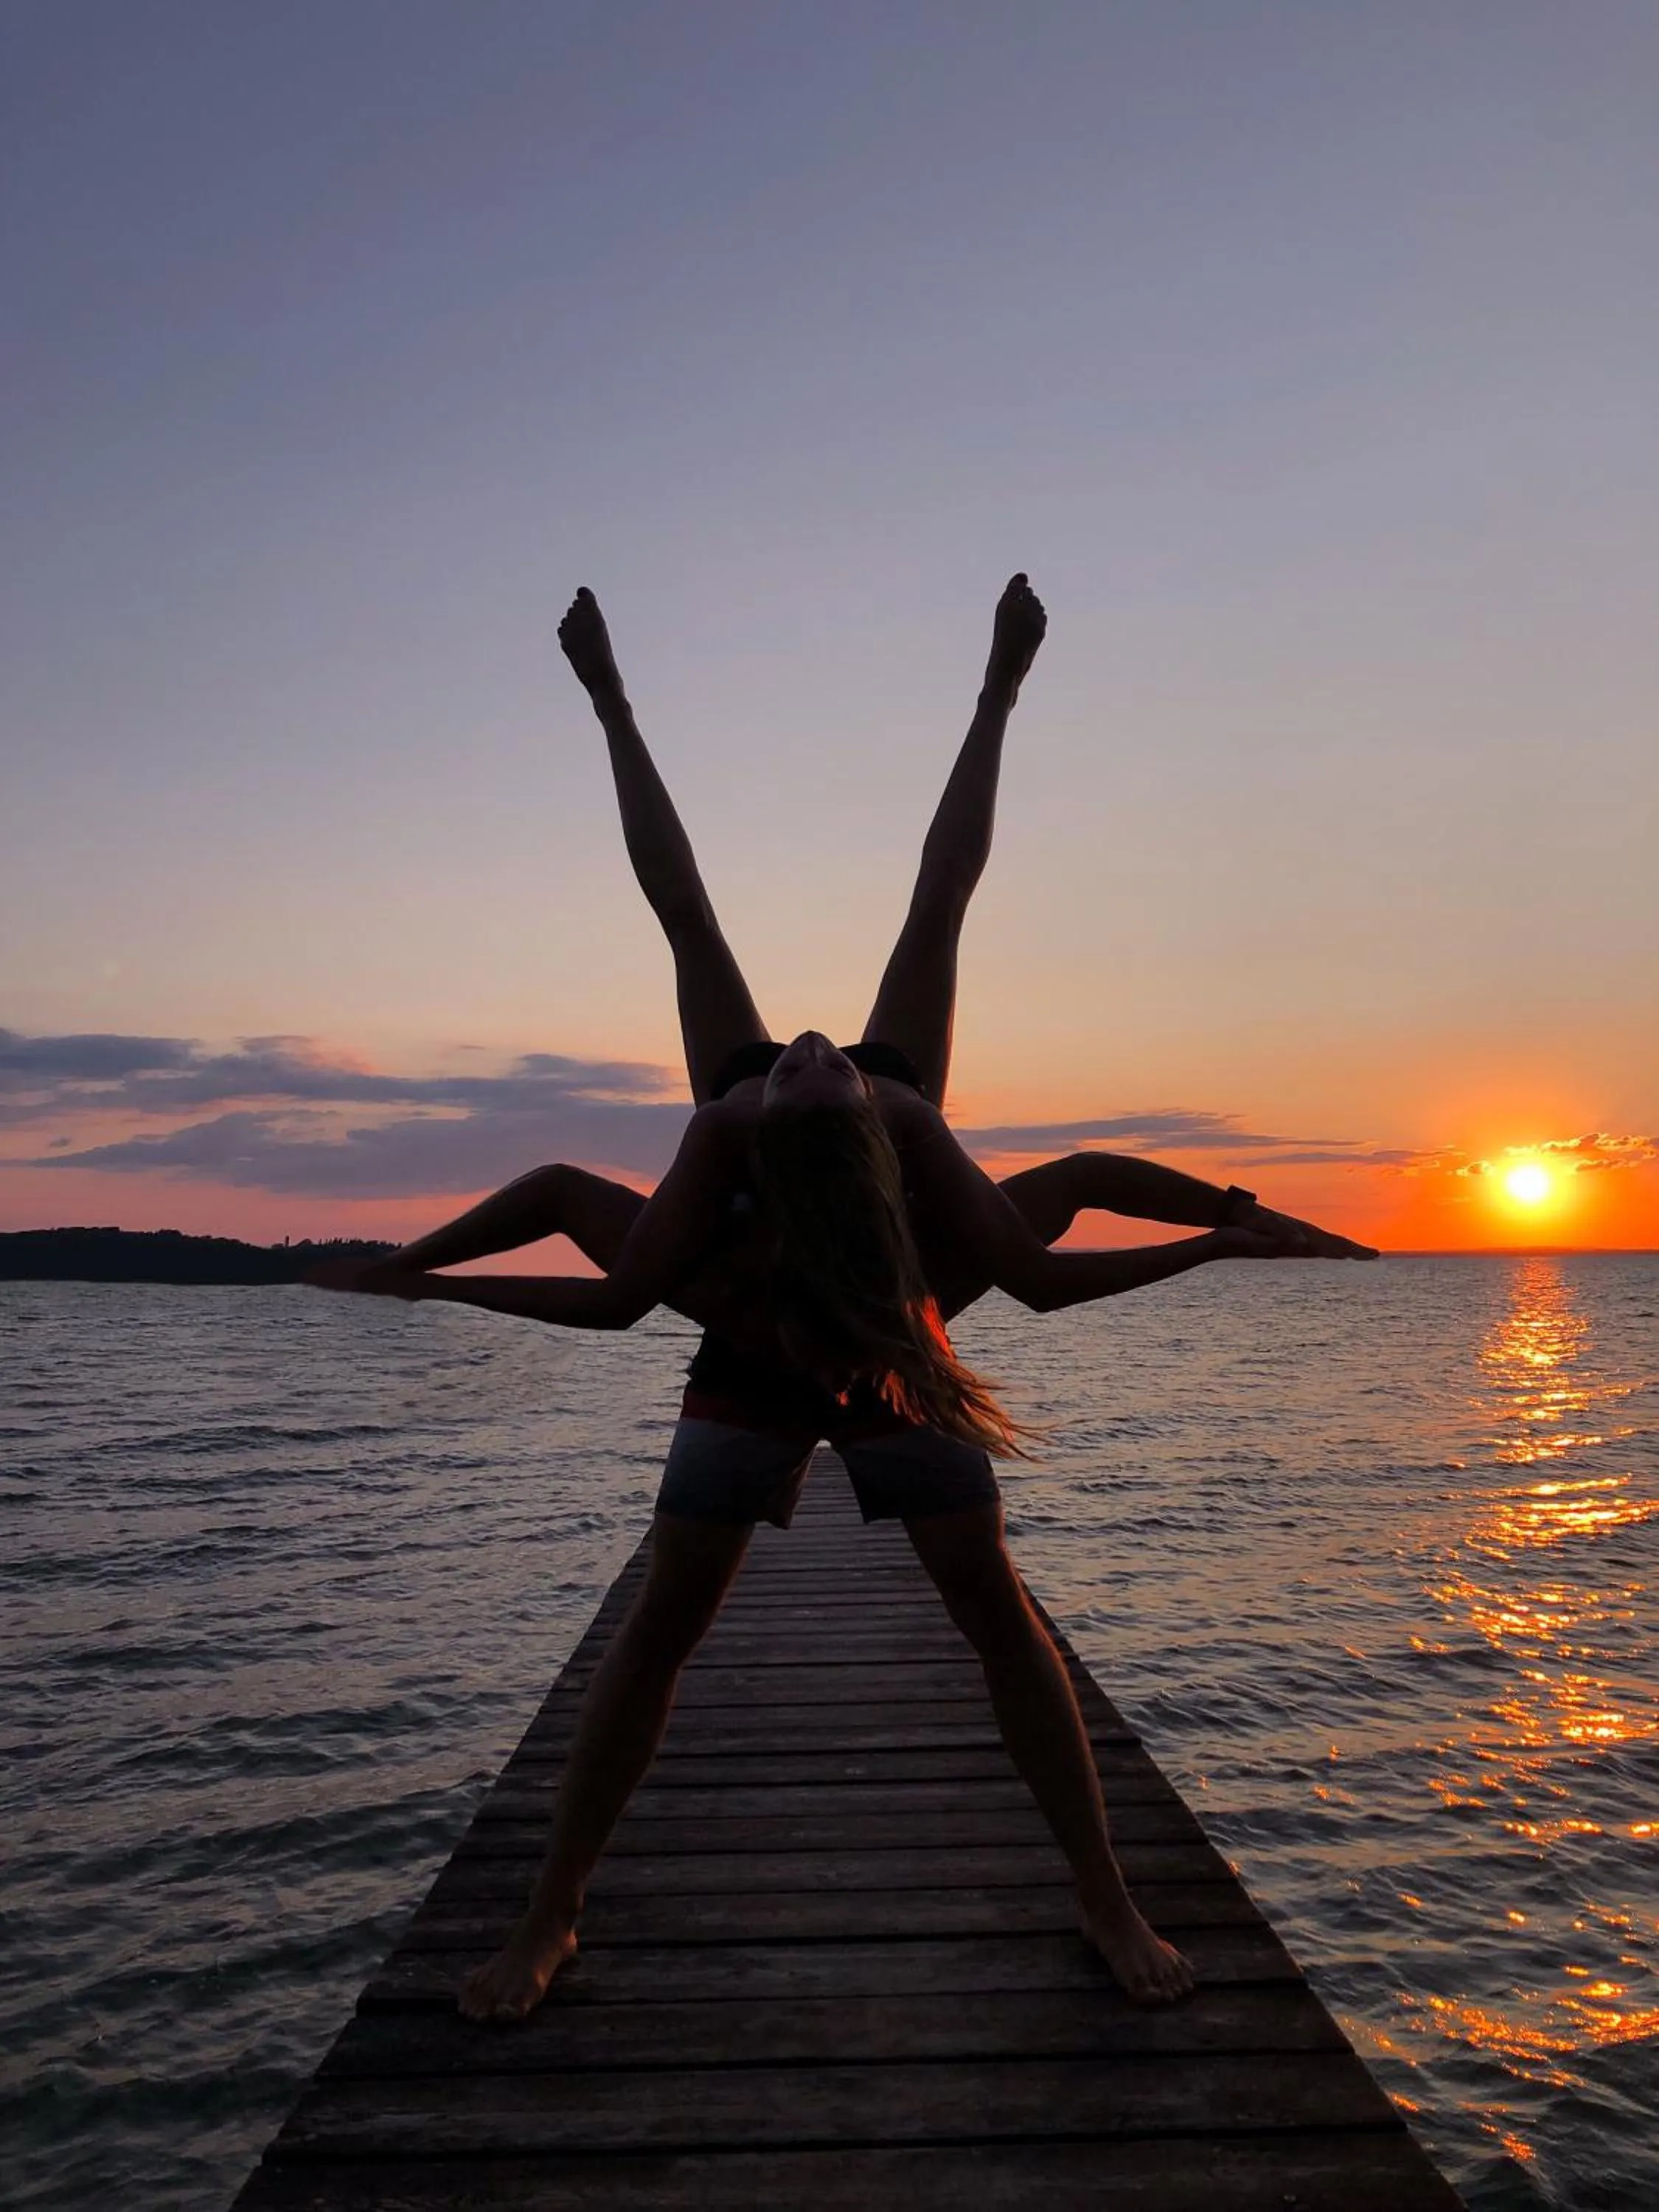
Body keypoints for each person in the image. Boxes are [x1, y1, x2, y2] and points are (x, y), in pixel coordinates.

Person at [318, 577, 1373, 2017]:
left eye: (818, 1058)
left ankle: (1105, 1897)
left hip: (890, 1352)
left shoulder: (902, 1114)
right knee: (661, 1633)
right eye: (811, 1059)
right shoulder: (734, 1119)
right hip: (749, 1359)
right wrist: (434, 1282)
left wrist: (1001, 687)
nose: (813, 1038)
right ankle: (551, 1910)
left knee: (998, 1617)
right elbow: (615, 1259)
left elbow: (1041, 1241)